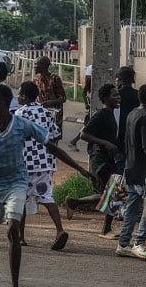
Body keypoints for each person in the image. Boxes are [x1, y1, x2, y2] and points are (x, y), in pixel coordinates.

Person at [0, 85, 92, 286]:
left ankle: (15, 283)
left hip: (16, 182)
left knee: (12, 229)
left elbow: (53, 148)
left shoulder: (22, 124)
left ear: (4, 104)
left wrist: (82, 169)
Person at [16, 81, 69, 250]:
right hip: (45, 162)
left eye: (19, 94)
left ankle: (21, 237)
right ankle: (60, 230)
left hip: (25, 163)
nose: (17, 96)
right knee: (46, 196)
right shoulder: (45, 112)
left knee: (21, 200)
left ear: (23, 97)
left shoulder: (19, 113)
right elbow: (55, 134)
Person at [65, 84, 121, 239]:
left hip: (108, 159)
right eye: (114, 95)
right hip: (100, 159)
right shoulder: (101, 114)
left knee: (112, 192)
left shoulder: (111, 114)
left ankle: (75, 202)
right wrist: (105, 143)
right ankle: (105, 230)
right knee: (111, 193)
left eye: (118, 95)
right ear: (105, 98)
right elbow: (84, 134)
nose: (118, 98)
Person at [115, 84, 146, 259]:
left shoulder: (133, 113)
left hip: (131, 166)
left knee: (133, 207)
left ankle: (123, 243)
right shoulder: (145, 117)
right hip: (142, 169)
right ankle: (140, 242)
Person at [33, 56, 67, 140]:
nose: (34, 66)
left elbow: (63, 98)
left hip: (53, 113)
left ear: (44, 66)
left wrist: (50, 102)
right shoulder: (36, 79)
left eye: (37, 64)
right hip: (40, 113)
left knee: (53, 138)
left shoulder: (54, 79)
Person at [114, 66, 139, 171]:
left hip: (119, 136)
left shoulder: (116, 95)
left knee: (119, 168)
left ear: (120, 80)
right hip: (134, 136)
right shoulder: (138, 95)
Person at [68, 64, 92, 151]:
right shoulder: (90, 84)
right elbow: (85, 92)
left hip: (92, 105)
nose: (87, 79)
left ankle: (74, 141)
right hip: (92, 106)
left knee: (88, 125)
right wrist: (87, 104)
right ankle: (74, 141)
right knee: (88, 126)